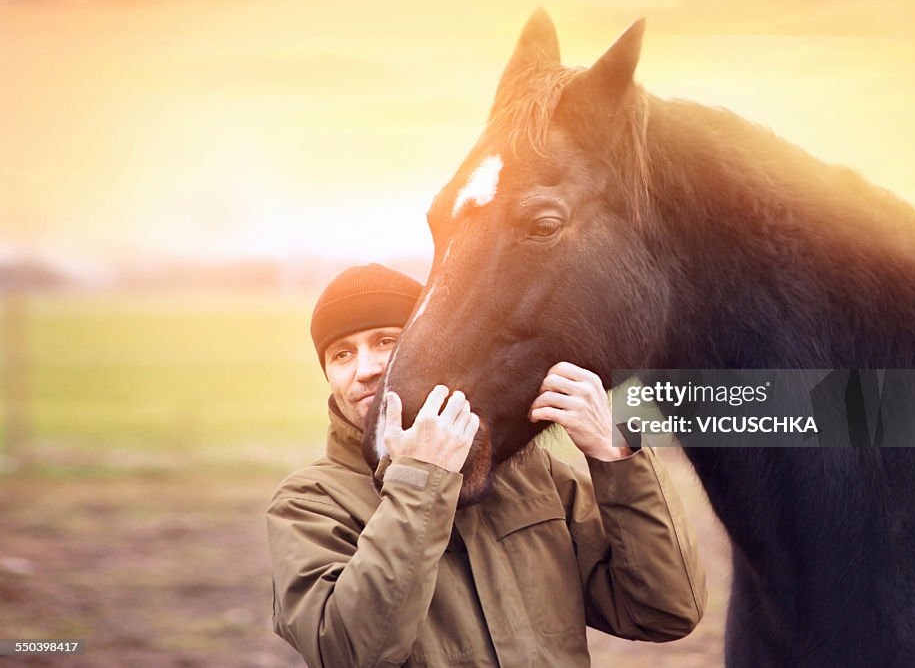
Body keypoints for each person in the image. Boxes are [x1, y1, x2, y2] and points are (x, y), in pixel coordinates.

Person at [266, 263, 707, 668]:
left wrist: (617, 456)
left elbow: (666, 611)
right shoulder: (308, 503)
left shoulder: (530, 473)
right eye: (341, 354)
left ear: (429, 346)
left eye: (387, 341)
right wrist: (420, 482)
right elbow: (348, 652)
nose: (366, 368)